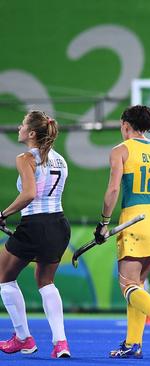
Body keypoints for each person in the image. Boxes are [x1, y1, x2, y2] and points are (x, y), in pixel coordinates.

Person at [94, 105, 150, 358]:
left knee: (127, 284)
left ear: (126, 124)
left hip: (134, 219)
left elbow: (113, 191)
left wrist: (104, 222)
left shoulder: (120, 151)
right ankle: (133, 344)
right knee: (138, 284)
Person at [0, 111, 71, 358]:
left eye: (22, 125)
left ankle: (23, 338)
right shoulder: (60, 159)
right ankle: (61, 343)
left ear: (31, 133)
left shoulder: (25, 158)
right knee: (46, 282)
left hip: (35, 225)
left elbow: (29, 194)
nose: (18, 127)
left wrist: (3, 213)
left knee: (4, 276)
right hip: (59, 225)